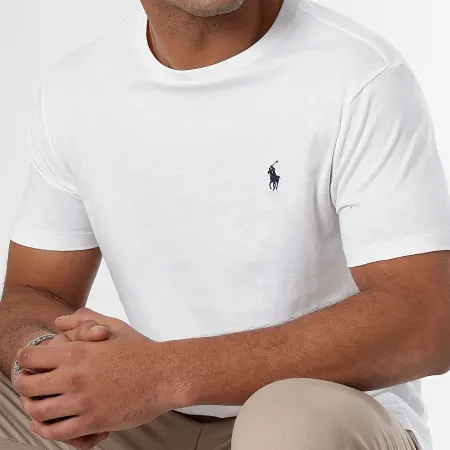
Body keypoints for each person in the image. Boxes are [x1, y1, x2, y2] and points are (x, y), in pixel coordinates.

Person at [1, 0, 450, 449]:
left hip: (317, 415)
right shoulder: (78, 87)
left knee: (290, 424)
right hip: (146, 417)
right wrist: (45, 360)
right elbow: (35, 293)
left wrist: (158, 374)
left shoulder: (358, 74)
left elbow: (428, 321)